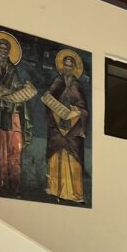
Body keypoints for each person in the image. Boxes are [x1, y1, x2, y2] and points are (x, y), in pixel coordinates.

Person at [0, 32, 35, 195]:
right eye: (1, 48)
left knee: (10, 141)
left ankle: (8, 181)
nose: (4, 51)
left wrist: (21, 87)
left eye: (6, 49)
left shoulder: (12, 67)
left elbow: (15, 84)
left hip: (8, 107)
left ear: (9, 51)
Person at [43, 49, 90, 203]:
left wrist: (76, 111)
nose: (68, 68)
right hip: (57, 127)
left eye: (71, 66)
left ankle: (74, 194)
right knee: (56, 156)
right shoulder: (57, 82)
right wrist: (49, 100)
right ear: (62, 66)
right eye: (66, 65)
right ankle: (55, 190)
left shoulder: (77, 85)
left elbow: (84, 109)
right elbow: (49, 99)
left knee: (73, 159)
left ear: (74, 68)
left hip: (73, 128)